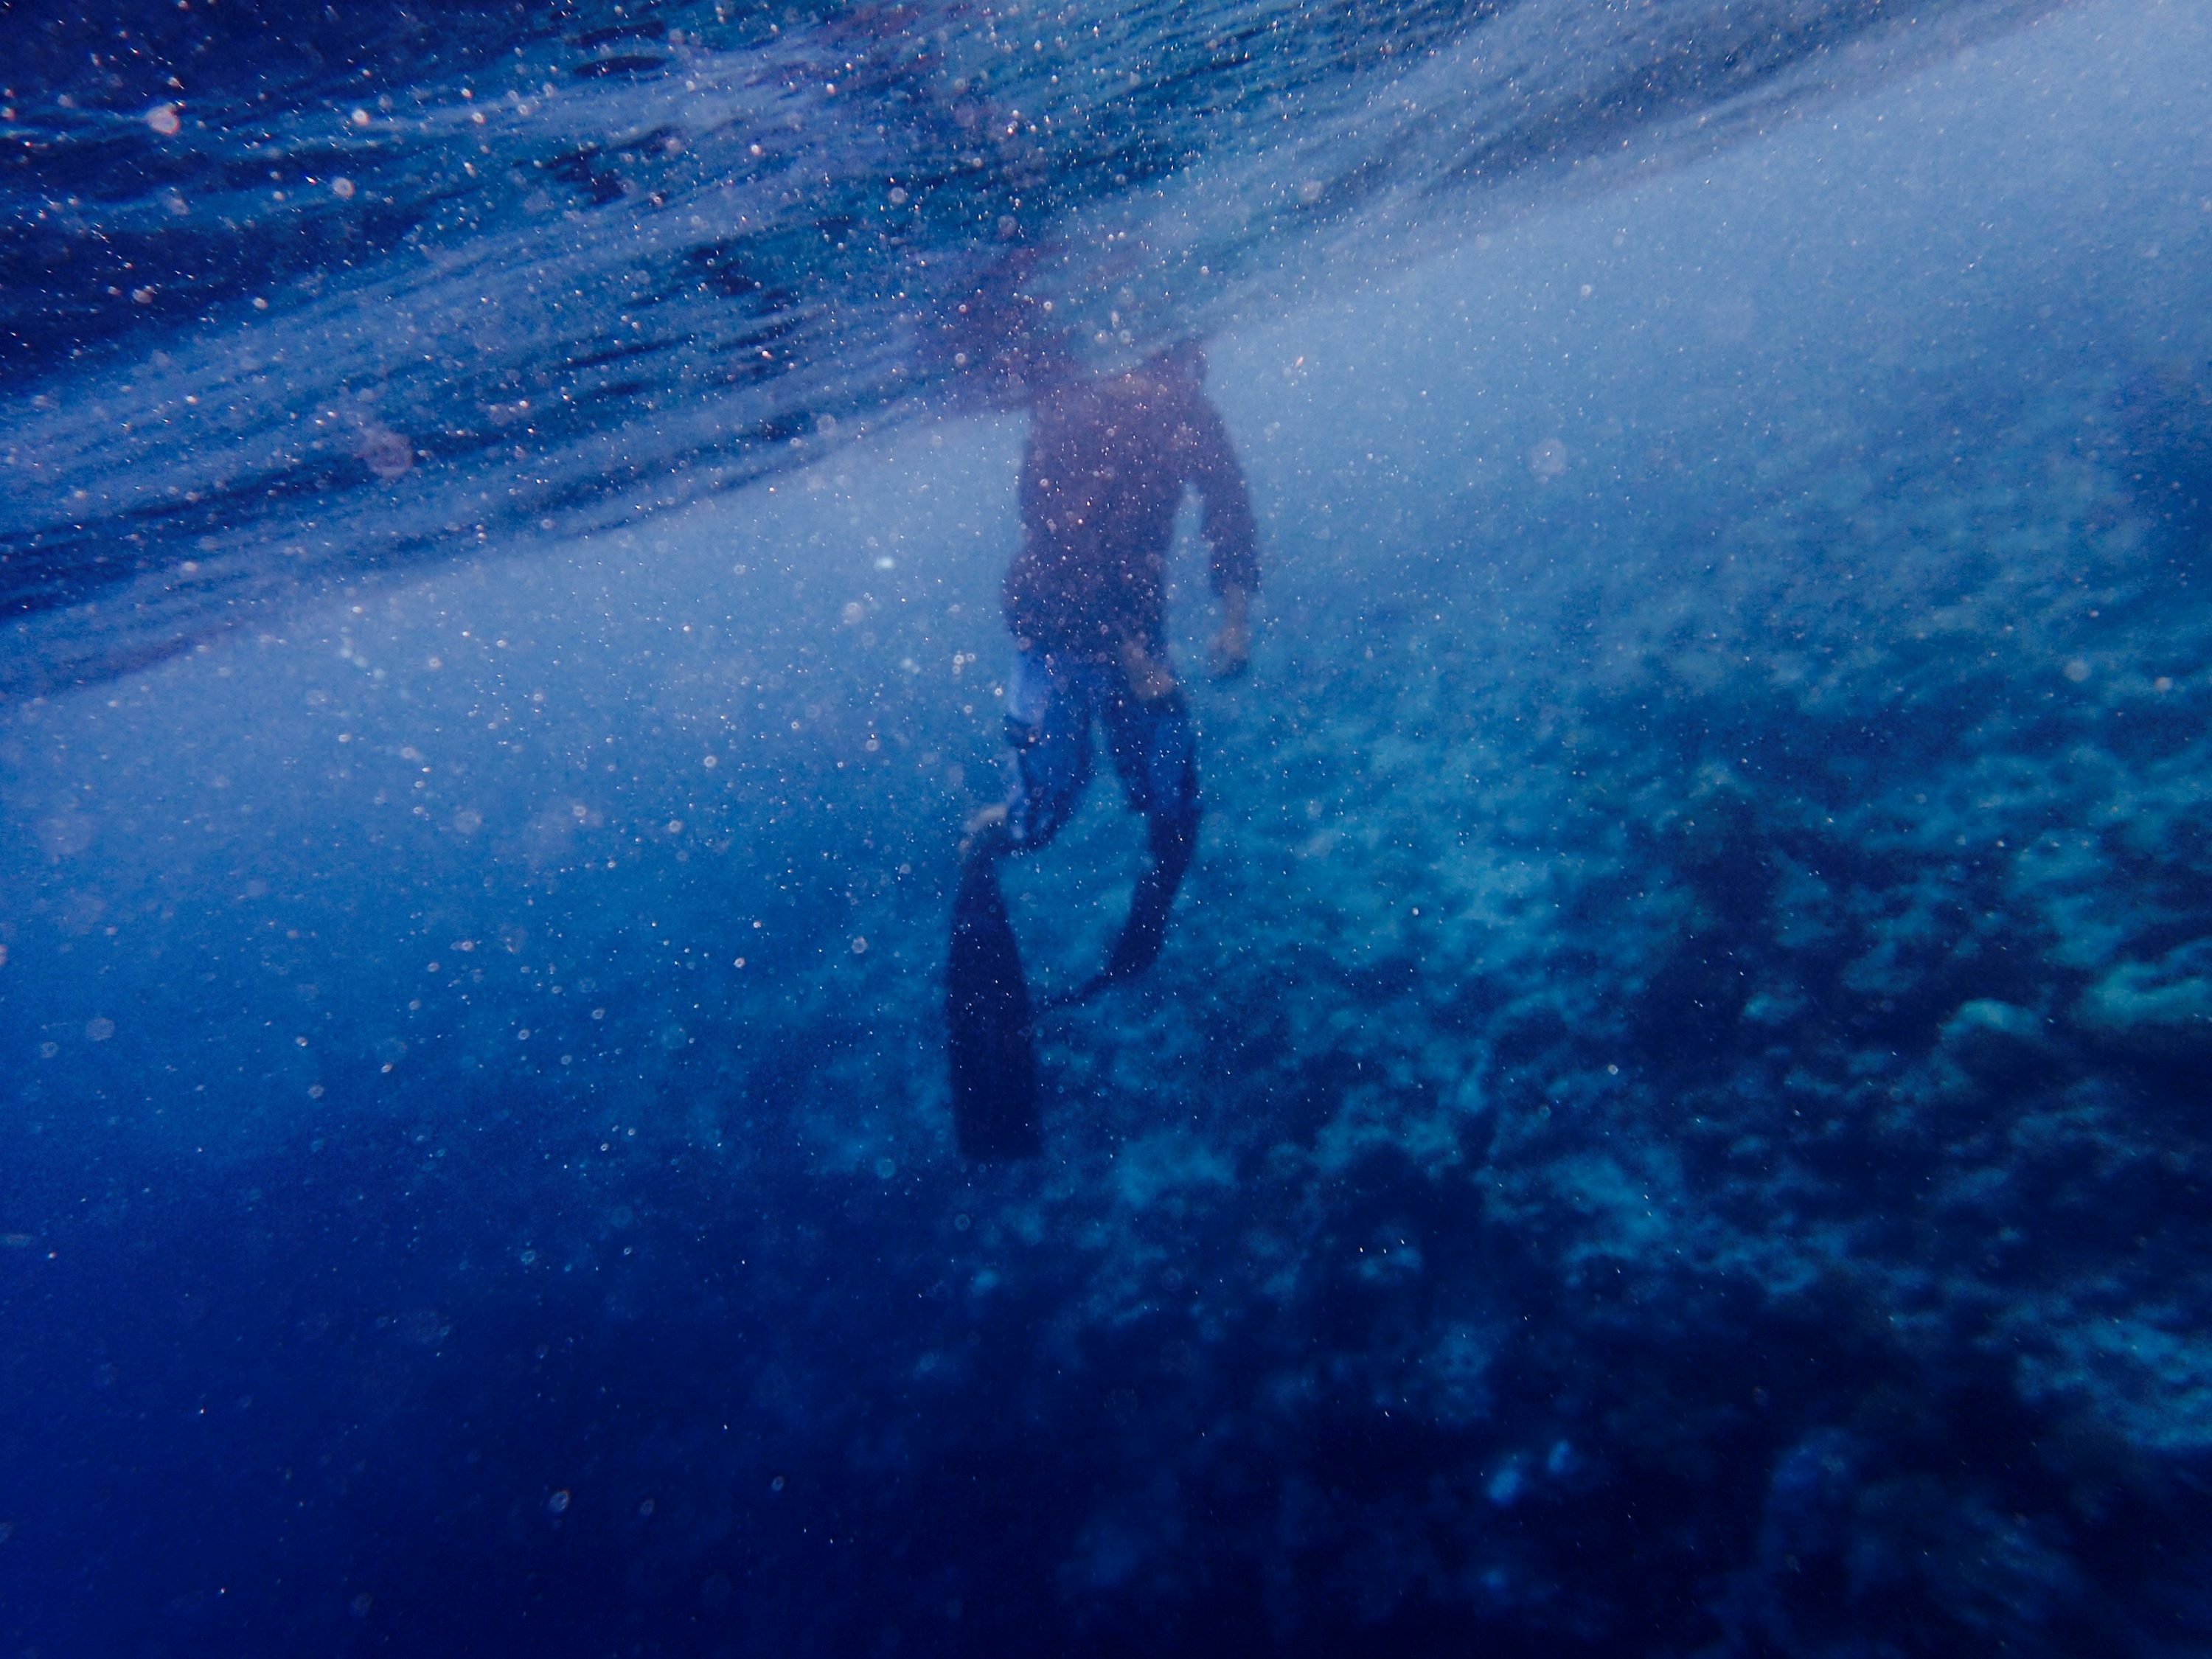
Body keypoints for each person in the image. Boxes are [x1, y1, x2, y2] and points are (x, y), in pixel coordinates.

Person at [945, 341, 1259, 1155]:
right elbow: (1056, 534)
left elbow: (1229, 504)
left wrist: (1234, 616)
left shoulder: (1182, 409)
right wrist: (1130, 654)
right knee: (1065, 811)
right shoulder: (1081, 408)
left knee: (1168, 803)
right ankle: (1000, 833)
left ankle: (1124, 938)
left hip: (1122, 635)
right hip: (1057, 629)